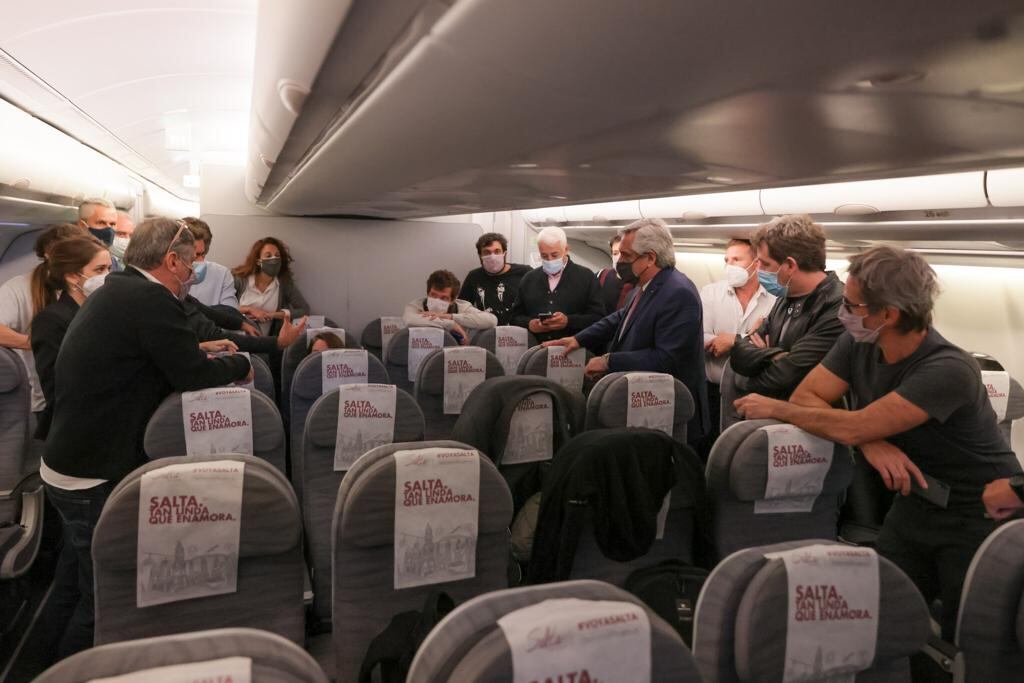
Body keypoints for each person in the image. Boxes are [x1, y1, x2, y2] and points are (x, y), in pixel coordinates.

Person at [734, 245, 1022, 639]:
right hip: (916, 503)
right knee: (881, 610)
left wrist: (780, 409)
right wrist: (871, 440)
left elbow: (825, 417)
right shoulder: (859, 341)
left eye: (852, 305)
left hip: (979, 513)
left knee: (969, 636)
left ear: (888, 314)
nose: (842, 313)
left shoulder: (947, 369)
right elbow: (808, 397)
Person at [40, 218, 251, 657]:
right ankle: (68, 670)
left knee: (72, 585)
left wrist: (197, 349)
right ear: (172, 260)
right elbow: (191, 377)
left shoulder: (120, 290)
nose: (192, 275)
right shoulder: (151, 299)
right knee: (106, 599)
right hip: (93, 476)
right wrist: (238, 366)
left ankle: (38, 662)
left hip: (68, 464)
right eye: (190, 265)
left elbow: (142, 356)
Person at [543, 218, 709, 442]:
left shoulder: (678, 293)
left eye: (627, 256)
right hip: (642, 401)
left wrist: (608, 361)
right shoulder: (643, 287)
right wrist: (578, 339)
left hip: (666, 410)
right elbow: (620, 318)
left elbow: (666, 358)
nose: (619, 261)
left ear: (650, 258)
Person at [725, 214, 844, 425]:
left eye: (764, 264)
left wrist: (761, 356)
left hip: (813, 429)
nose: (758, 270)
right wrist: (777, 356)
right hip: (775, 422)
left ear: (790, 265)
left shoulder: (837, 307)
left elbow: (787, 376)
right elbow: (740, 354)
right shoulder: (785, 297)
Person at [1, 223, 85, 427]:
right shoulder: (19, 288)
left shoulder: (88, 286)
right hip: (43, 398)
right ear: (48, 254)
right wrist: (38, 342)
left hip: (83, 393)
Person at [30, 236, 111, 439]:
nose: (107, 276)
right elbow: (56, 388)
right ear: (73, 276)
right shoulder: (50, 320)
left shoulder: (105, 312)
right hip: (76, 428)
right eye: (100, 270)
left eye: (110, 269)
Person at [698, 238, 776, 452]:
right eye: (726, 259)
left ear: (756, 264)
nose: (729, 265)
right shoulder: (710, 293)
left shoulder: (774, 299)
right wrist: (748, 338)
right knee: (711, 450)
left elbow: (770, 345)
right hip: (712, 391)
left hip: (752, 390)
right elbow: (698, 336)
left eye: (737, 259)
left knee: (746, 451)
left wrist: (733, 340)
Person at [509, 226, 604, 343]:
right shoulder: (529, 279)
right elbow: (514, 318)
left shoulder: (586, 277)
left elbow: (598, 318)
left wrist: (569, 321)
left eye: (555, 255)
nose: (549, 260)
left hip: (573, 353)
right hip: (536, 351)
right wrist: (530, 324)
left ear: (566, 249)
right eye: (544, 256)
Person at [232, 237, 309, 336]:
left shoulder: (283, 283)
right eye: (268, 256)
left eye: (277, 255)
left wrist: (273, 315)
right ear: (258, 261)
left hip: (267, 343)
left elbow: (304, 310)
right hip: (237, 340)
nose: (274, 259)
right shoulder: (240, 280)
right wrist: (249, 309)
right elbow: (221, 308)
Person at [402, 269, 497, 344]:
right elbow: (409, 320)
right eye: (433, 295)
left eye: (444, 298)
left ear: (452, 300)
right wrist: (451, 325)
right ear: (427, 293)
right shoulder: (416, 305)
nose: (437, 300)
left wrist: (450, 317)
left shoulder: (462, 307)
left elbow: (491, 320)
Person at [459, 232, 531, 325]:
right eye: (487, 252)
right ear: (480, 255)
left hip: (520, 331)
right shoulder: (474, 277)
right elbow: (462, 307)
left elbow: (536, 303)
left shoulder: (524, 273)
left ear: (504, 253)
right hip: (487, 333)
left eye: (497, 251)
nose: (492, 256)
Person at [184, 217, 242, 315]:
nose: (200, 261)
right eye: (194, 255)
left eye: (203, 254)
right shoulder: (166, 274)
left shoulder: (222, 273)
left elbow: (232, 312)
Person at [78, 198, 122, 271]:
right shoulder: (70, 259)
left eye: (112, 224)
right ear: (82, 226)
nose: (109, 229)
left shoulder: (113, 262)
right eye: (101, 223)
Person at [596, 234, 632, 312]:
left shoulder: (638, 284)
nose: (619, 257)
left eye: (623, 253)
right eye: (615, 253)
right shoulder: (601, 275)